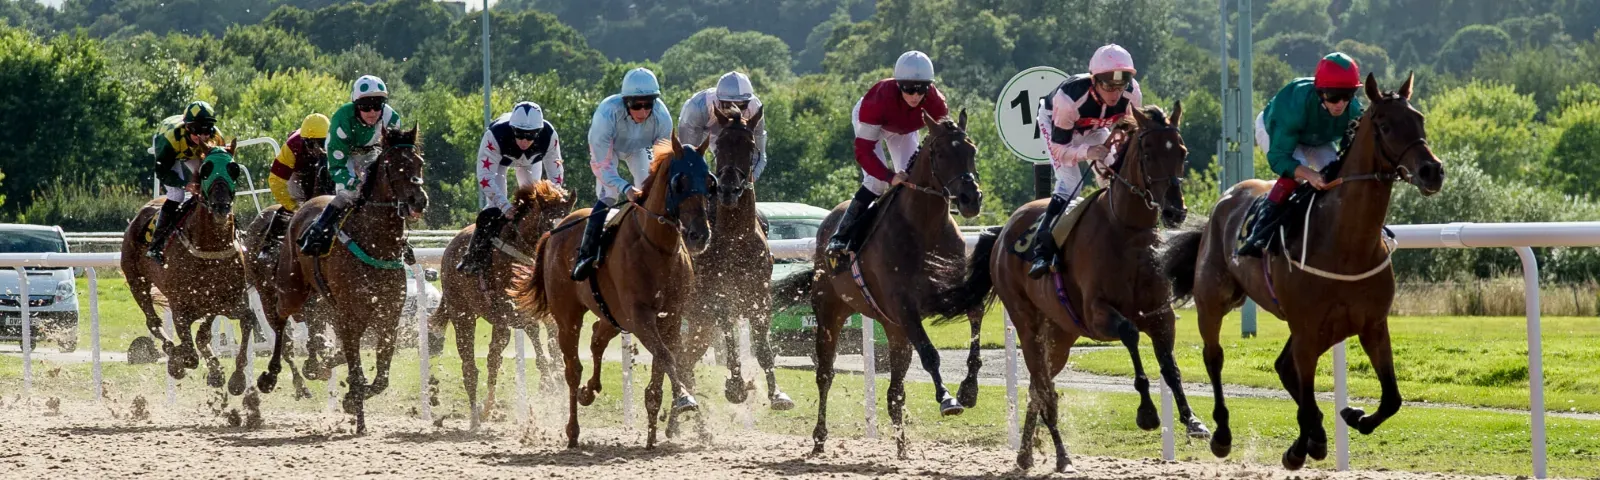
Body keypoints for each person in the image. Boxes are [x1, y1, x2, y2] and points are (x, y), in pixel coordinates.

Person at [1027, 43, 1144, 278]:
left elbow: (1131, 128)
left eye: (1119, 86)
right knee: (1072, 183)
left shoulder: (1132, 93)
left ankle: (1121, 237)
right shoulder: (1069, 98)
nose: (1114, 94)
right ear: (1094, 80)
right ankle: (1042, 248)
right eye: (1107, 85)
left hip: (1094, 127)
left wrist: (1117, 145)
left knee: (1114, 175)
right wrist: (1087, 153)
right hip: (1057, 125)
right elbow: (1061, 151)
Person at [1236, 52, 1364, 258]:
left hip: (1316, 136)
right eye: (1333, 96)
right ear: (1320, 92)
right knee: (1297, 175)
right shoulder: (1295, 106)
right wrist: (1309, 174)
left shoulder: (1354, 112)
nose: (1340, 103)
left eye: (1347, 95)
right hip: (1276, 129)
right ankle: (1260, 230)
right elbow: (1279, 158)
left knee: (1337, 175)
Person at [823, 50, 949, 257]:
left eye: (922, 89)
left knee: (913, 178)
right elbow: (863, 151)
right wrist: (890, 177)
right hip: (874, 124)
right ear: (898, 85)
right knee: (877, 182)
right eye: (909, 89)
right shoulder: (878, 101)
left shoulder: (937, 103)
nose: (916, 96)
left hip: (904, 129)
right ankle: (841, 236)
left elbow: (945, 140)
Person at [571, 67, 673, 281]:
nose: (643, 112)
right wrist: (625, 188)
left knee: (651, 192)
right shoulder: (606, 116)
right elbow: (603, 167)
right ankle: (586, 254)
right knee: (609, 195)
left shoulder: (662, 117)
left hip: (639, 150)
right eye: (637, 105)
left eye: (648, 105)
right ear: (626, 102)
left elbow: (662, 163)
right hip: (608, 152)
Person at [297, 75, 403, 255]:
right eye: (365, 106)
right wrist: (351, 179)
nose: (372, 112)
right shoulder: (342, 119)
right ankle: (318, 230)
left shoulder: (392, 119)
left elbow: (394, 156)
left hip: (373, 152)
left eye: (377, 105)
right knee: (350, 192)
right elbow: (336, 162)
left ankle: (400, 239)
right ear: (356, 106)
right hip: (345, 155)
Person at [457, 101, 565, 274]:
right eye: (519, 134)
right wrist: (504, 206)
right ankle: (473, 256)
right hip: (500, 162)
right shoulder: (495, 134)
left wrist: (553, 198)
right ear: (512, 128)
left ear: (539, 132)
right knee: (494, 207)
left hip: (531, 163)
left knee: (535, 207)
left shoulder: (549, 135)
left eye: (530, 136)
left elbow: (556, 174)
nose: (524, 141)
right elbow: (485, 177)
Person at [146, 100, 222, 264]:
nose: (202, 135)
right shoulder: (169, 140)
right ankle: (156, 245)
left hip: (192, 152)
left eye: (207, 129)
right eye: (196, 129)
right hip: (172, 152)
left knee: (209, 185)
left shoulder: (216, 137)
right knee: (177, 194)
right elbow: (162, 171)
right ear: (188, 127)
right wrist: (184, 184)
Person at [260, 113, 332, 262]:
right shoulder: (292, 146)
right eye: (312, 144)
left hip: (327, 168)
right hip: (299, 172)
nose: (318, 150)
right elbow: (276, 180)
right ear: (304, 141)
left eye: (323, 143)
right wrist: (293, 206)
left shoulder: (337, 141)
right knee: (297, 200)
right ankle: (270, 246)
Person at [678, 71, 768, 182]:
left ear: (749, 102)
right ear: (719, 100)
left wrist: (749, 179)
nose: (735, 110)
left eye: (742, 105)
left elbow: (759, 156)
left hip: (731, 133)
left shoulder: (755, 109)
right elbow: (688, 156)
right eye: (728, 105)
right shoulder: (697, 107)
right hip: (702, 129)